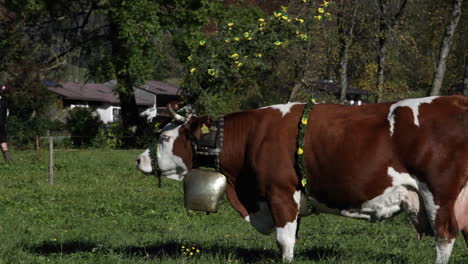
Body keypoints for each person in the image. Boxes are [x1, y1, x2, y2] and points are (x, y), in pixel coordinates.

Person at [0, 84, 11, 161]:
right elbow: (7, 113)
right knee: (3, 141)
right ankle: (8, 161)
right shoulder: (4, 101)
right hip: (1, 124)